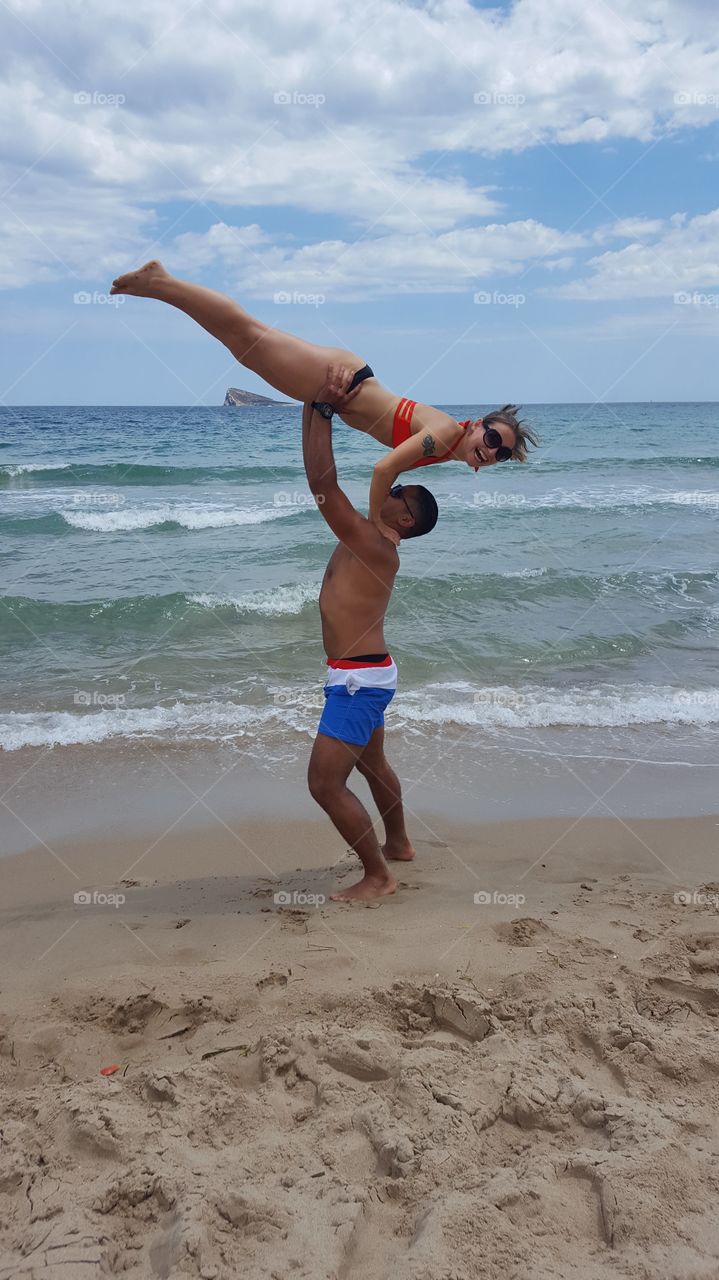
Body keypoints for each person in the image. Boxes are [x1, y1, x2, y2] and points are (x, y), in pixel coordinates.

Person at [110, 261, 538, 543]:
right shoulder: (445, 433)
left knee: (245, 345)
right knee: (247, 337)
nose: (492, 450)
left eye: (500, 455)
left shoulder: (447, 449)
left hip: (341, 388)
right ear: (477, 423)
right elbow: (383, 468)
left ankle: (162, 286)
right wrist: (375, 526)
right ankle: (161, 282)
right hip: (345, 381)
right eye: (493, 437)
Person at [302, 365, 437, 902]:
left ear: (404, 520)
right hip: (369, 673)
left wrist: (322, 410)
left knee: (323, 784)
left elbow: (321, 484)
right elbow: (326, 482)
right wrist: (314, 405)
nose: (392, 487)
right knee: (374, 763)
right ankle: (399, 842)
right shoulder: (372, 537)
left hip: (358, 682)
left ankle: (379, 876)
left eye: (400, 492)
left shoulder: (372, 543)